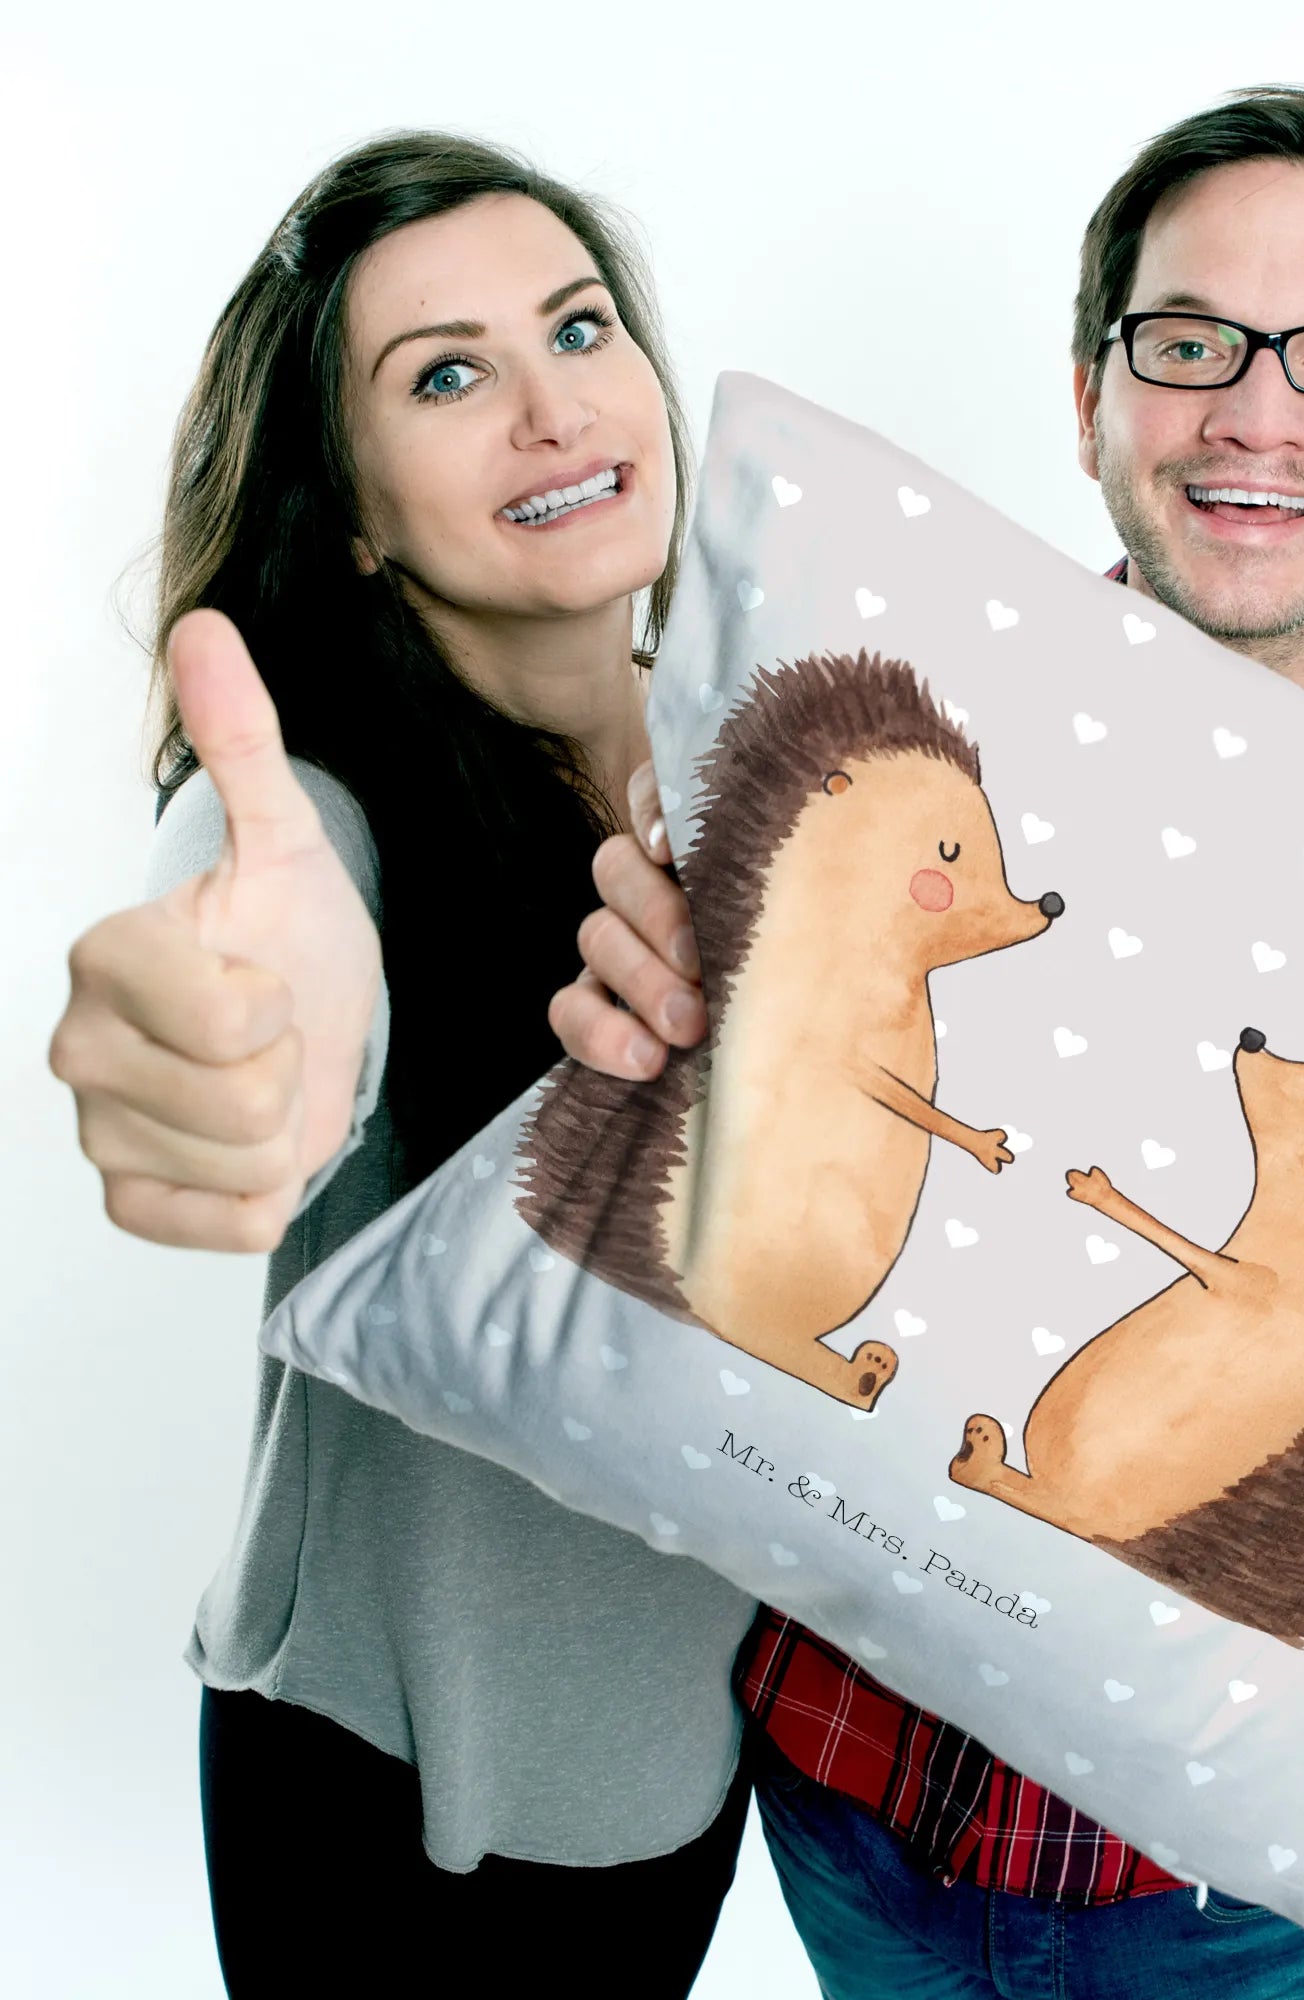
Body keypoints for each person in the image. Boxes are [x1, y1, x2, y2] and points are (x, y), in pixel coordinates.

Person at [553, 87, 1304, 1997]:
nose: (1259, 412)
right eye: (1191, 344)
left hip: (1220, 1899)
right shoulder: (893, 746)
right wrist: (650, 1027)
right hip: (835, 1799)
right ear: (1092, 398)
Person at [45, 135, 756, 1994]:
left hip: (683, 1770)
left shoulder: (758, 768)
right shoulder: (320, 808)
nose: (551, 408)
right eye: (445, 375)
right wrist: (230, 1034)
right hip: (393, 1804)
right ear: (354, 513)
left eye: (578, 329)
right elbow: (263, 930)